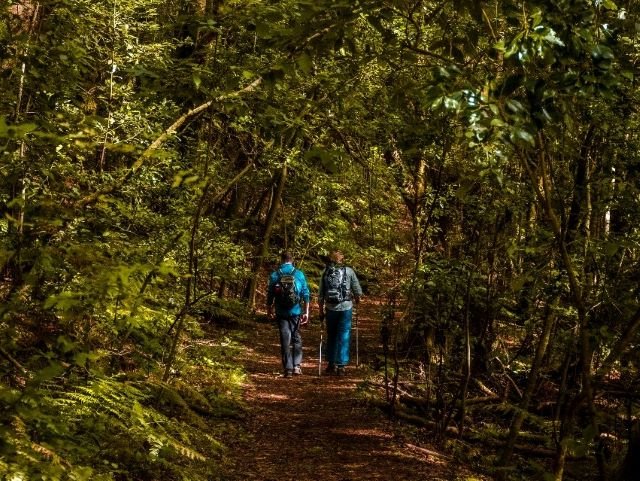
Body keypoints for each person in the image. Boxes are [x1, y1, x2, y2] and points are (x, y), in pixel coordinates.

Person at [318, 250, 363, 376]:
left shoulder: (325, 272)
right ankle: (341, 366)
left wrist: (321, 311)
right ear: (342, 260)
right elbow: (358, 292)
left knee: (331, 334)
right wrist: (358, 301)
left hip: (330, 308)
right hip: (346, 308)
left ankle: (331, 364)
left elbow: (321, 294)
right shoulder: (349, 271)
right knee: (344, 335)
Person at [267, 251, 310, 378]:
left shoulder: (275, 275)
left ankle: (288, 369)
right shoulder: (299, 274)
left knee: (285, 339)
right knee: (296, 337)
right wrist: (306, 312)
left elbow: (270, 294)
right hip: (296, 311)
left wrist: (269, 309)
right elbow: (305, 294)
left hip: (281, 311)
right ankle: (297, 366)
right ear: (292, 260)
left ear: (281, 260)